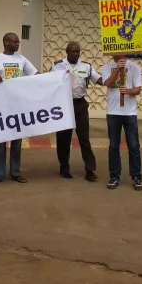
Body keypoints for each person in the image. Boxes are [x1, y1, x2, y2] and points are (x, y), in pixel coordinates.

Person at [0, 33, 38, 186]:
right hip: (0, 106)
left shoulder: (22, 60)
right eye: (15, 42)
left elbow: (36, 75)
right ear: (6, 42)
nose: (18, 44)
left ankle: (15, 172)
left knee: (17, 140)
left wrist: (56, 76)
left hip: (17, 105)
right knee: (0, 141)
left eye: (18, 42)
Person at [52, 42, 102, 181]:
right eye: (73, 51)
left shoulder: (86, 66)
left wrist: (114, 78)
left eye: (78, 51)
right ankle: (64, 167)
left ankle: (90, 170)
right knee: (63, 139)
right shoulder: (57, 66)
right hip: (63, 105)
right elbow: (50, 84)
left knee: (84, 138)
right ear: (67, 51)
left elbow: (99, 80)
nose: (76, 54)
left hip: (80, 105)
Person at [102, 54, 142, 191]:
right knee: (114, 146)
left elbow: (138, 89)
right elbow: (107, 84)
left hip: (129, 113)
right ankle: (114, 176)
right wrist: (118, 69)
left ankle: (136, 176)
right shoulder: (107, 67)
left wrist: (129, 91)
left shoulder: (134, 67)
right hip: (113, 113)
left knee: (134, 146)